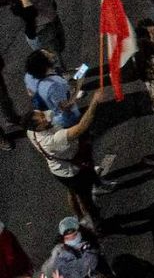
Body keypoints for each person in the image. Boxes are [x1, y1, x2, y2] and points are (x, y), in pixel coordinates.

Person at [25, 86, 109, 226]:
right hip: (70, 171)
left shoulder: (31, 129)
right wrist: (94, 102)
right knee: (84, 197)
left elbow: (54, 111)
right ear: (38, 128)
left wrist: (68, 104)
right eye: (42, 118)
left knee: (73, 192)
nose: (45, 116)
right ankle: (96, 222)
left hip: (61, 169)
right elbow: (81, 127)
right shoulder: (50, 141)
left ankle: (81, 215)